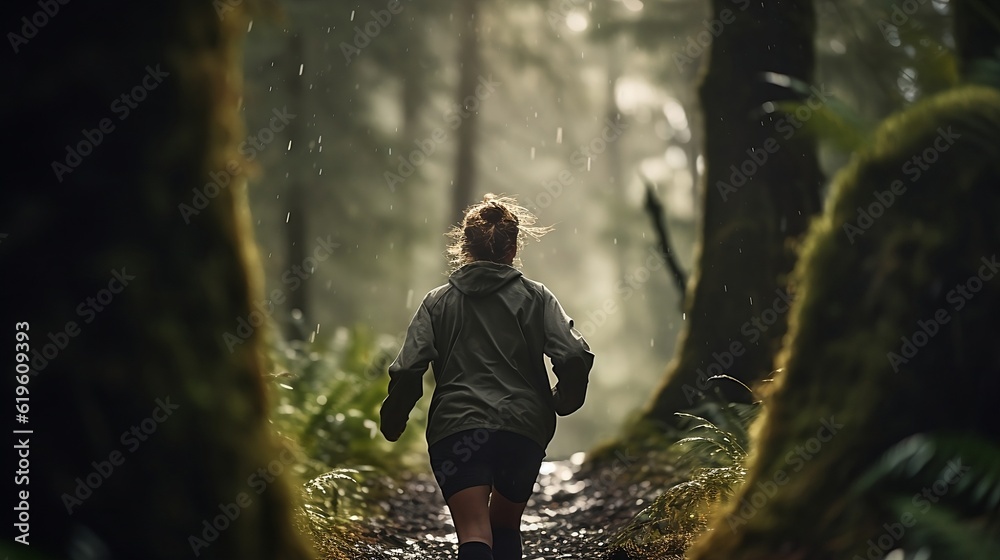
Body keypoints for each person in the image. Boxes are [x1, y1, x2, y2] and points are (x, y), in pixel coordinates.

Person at [380, 193, 595, 560]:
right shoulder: (537, 297)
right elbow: (574, 353)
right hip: (522, 428)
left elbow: (408, 366)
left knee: (475, 533)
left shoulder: (437, 302)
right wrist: (563, 400)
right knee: (505, 527)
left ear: (465, 247)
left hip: (457, 428)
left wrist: (394, 417)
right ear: (512, 249)